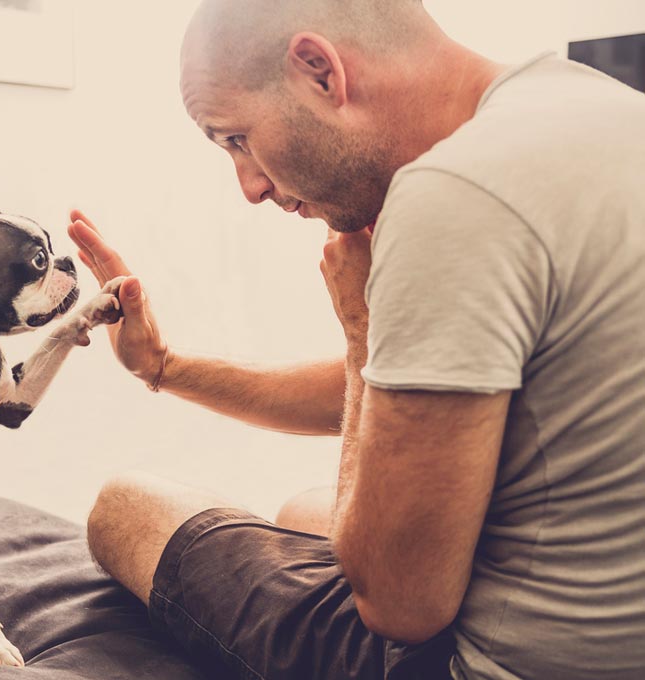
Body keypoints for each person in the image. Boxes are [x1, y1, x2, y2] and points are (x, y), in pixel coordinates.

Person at [67, 1, 645, 678]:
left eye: (234, 139)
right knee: (300, 510)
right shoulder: (601, 109)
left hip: (499, 664)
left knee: (124, 505)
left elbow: (397, 607)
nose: (249, 185)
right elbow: (420, 392)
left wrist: (360, 332)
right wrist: (163, 367)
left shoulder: (453, 196)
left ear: (320, 71)